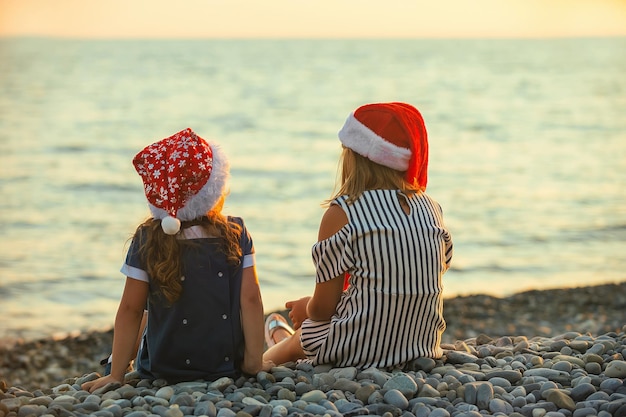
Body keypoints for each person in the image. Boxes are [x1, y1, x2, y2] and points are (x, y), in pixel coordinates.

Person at [263, 102, 453, 369]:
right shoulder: (432, 208)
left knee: (301, 339)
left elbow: (324, 308)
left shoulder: (342, 213)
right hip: (420, 343)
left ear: (353, 156)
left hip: (359, 347)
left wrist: (307, 308)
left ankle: (270, 347)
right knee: (319, 328)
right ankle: (278, 333)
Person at [83, 128, 268, 392]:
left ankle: (116, 363)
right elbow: (250, 300)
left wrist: (115, 377)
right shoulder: (236, 232)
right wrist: (253, 363)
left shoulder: (148, 237)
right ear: (213, 188)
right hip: (223, 365)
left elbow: (129, 310)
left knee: (146, 310)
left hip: (161, 366)